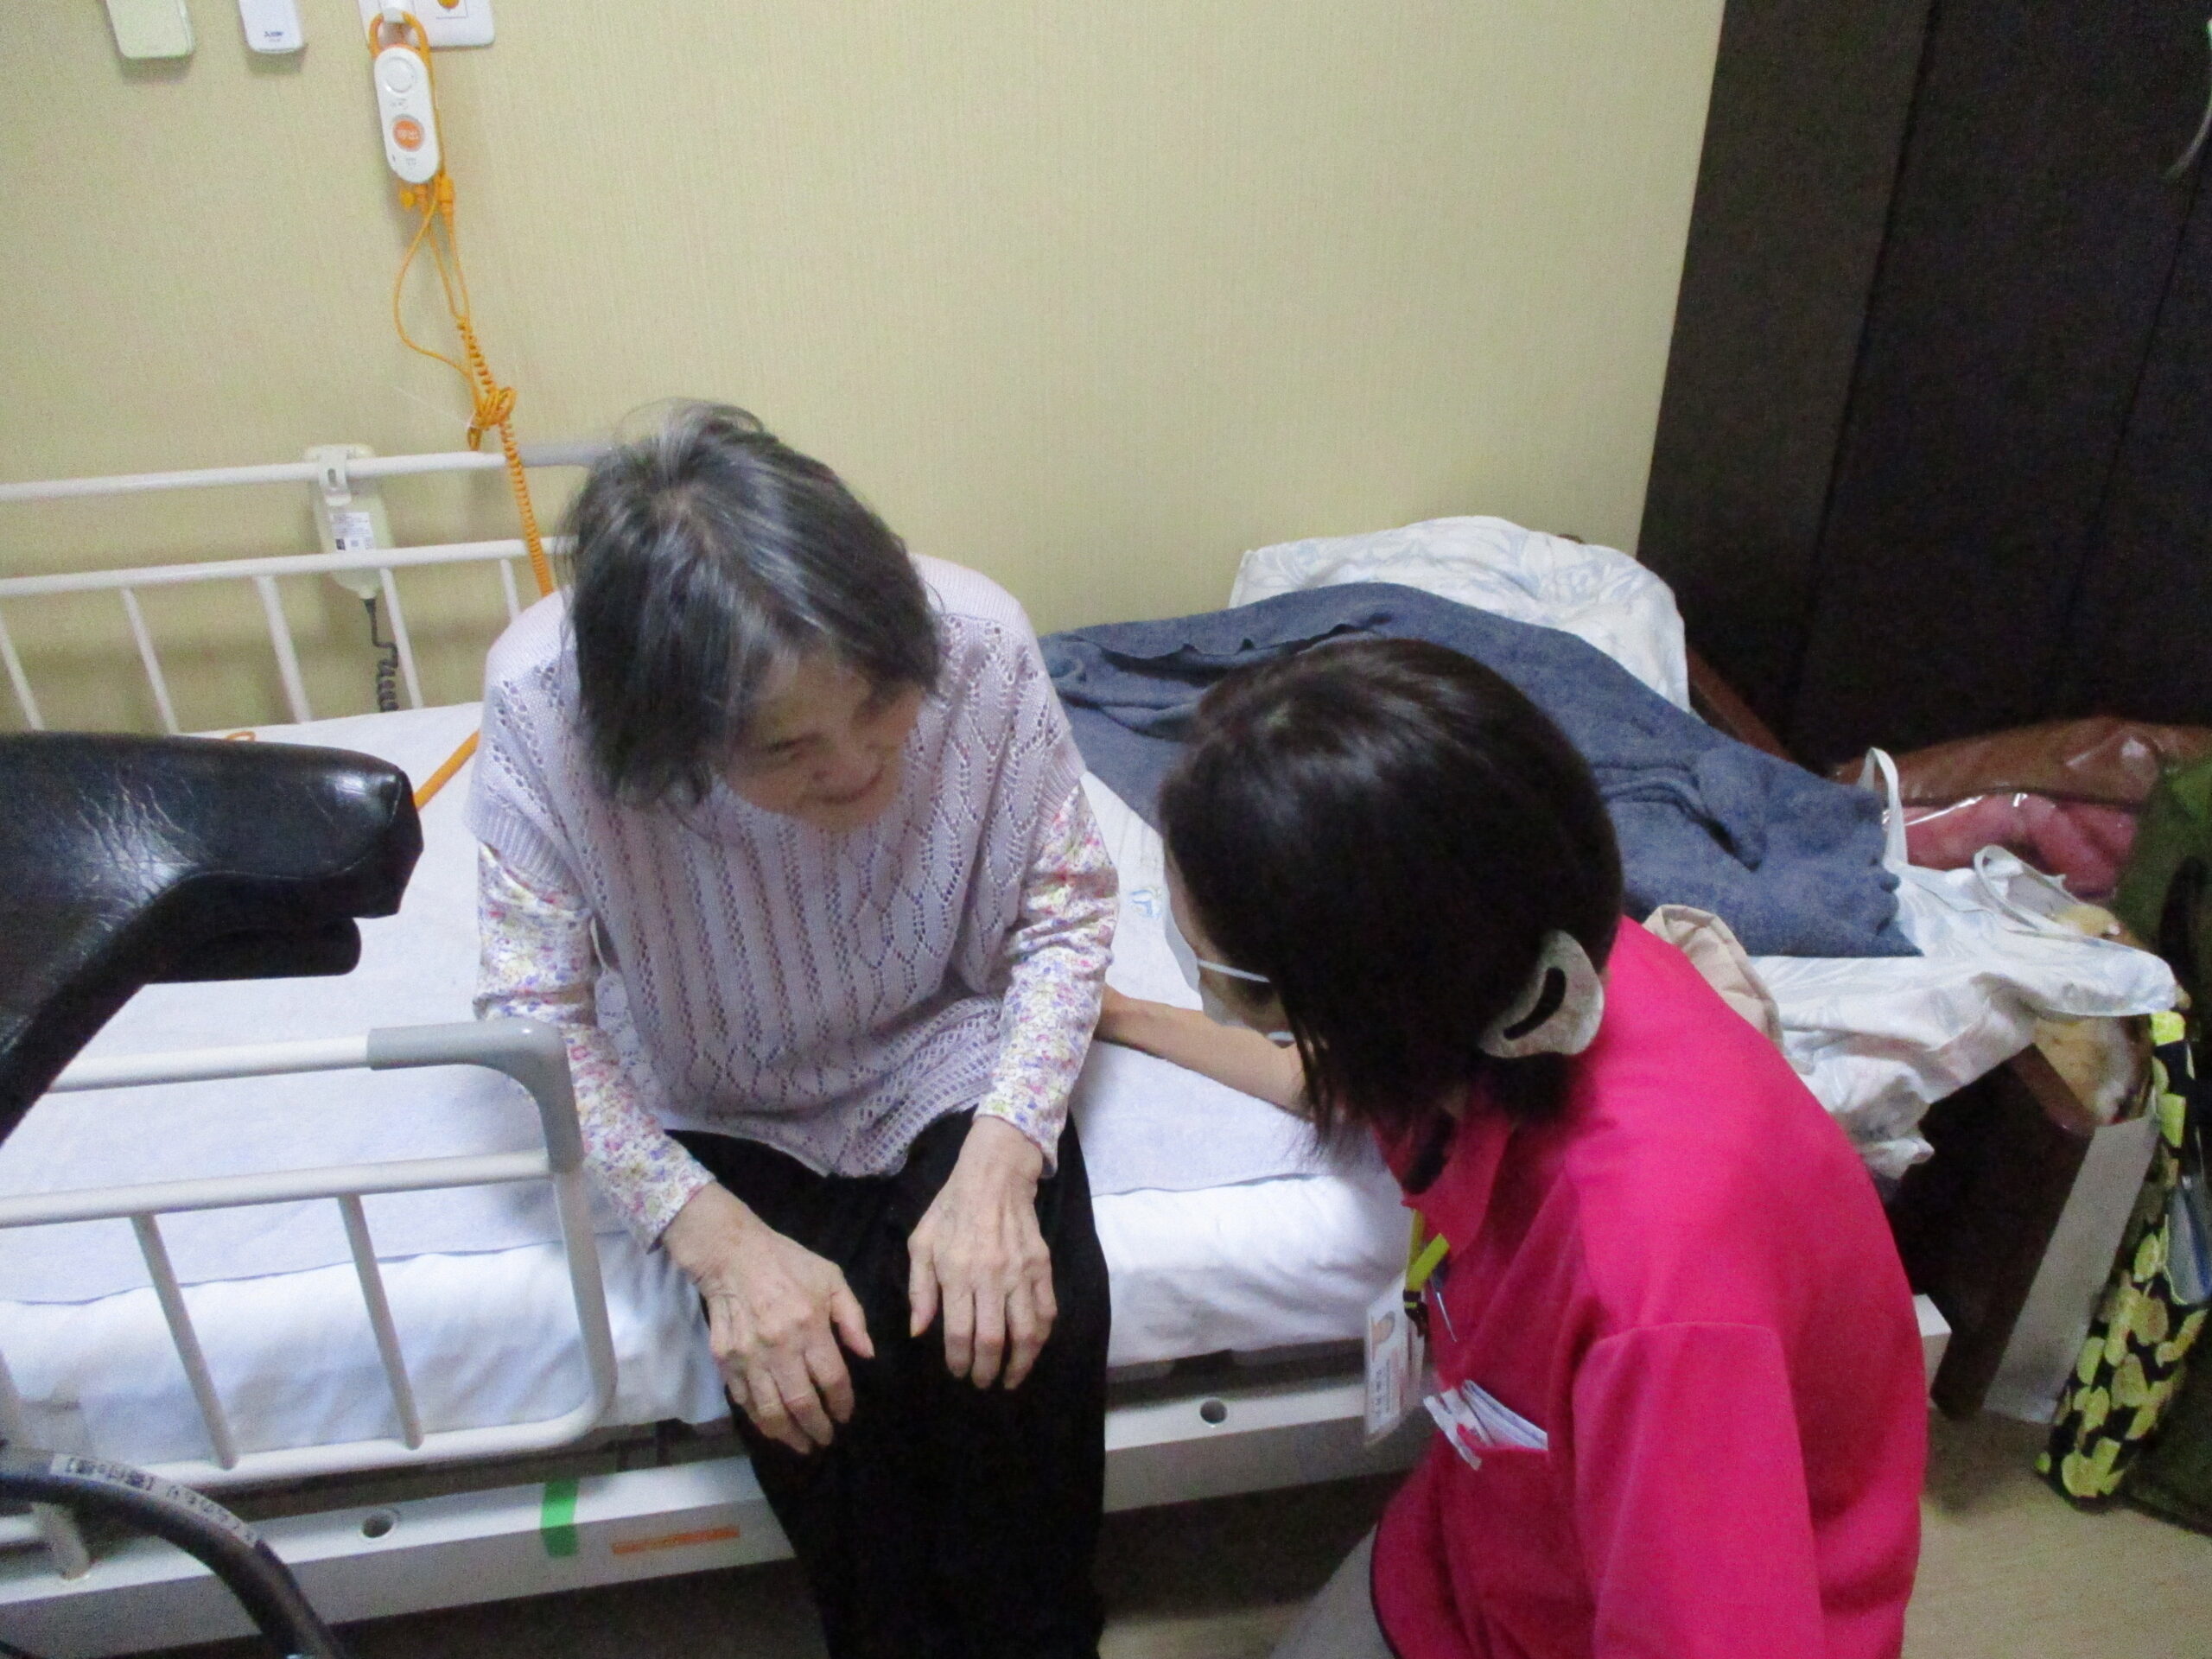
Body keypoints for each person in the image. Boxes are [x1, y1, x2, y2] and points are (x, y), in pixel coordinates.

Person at [1097, 638, 1926, 1659]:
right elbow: (1338, 1079)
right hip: (1486, 1529)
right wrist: (1127, 1016)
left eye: (1228, 979)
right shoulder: (1511, 982)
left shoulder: (1659, 1287)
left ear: (1366, 997)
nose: (1218, 1001)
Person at [468, 403, 1116, 1659]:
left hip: (943, 1039)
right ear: (669, 734)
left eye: (882, 703)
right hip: (714, 1073)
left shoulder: (977, 638)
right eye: (786, 748)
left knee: (1015, 1336)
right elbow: (533, 1013)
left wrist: (1000, 1167)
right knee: (819, 1387)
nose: (859, 763)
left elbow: (1067, 909)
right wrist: (717, 1247)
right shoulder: (548, 708)